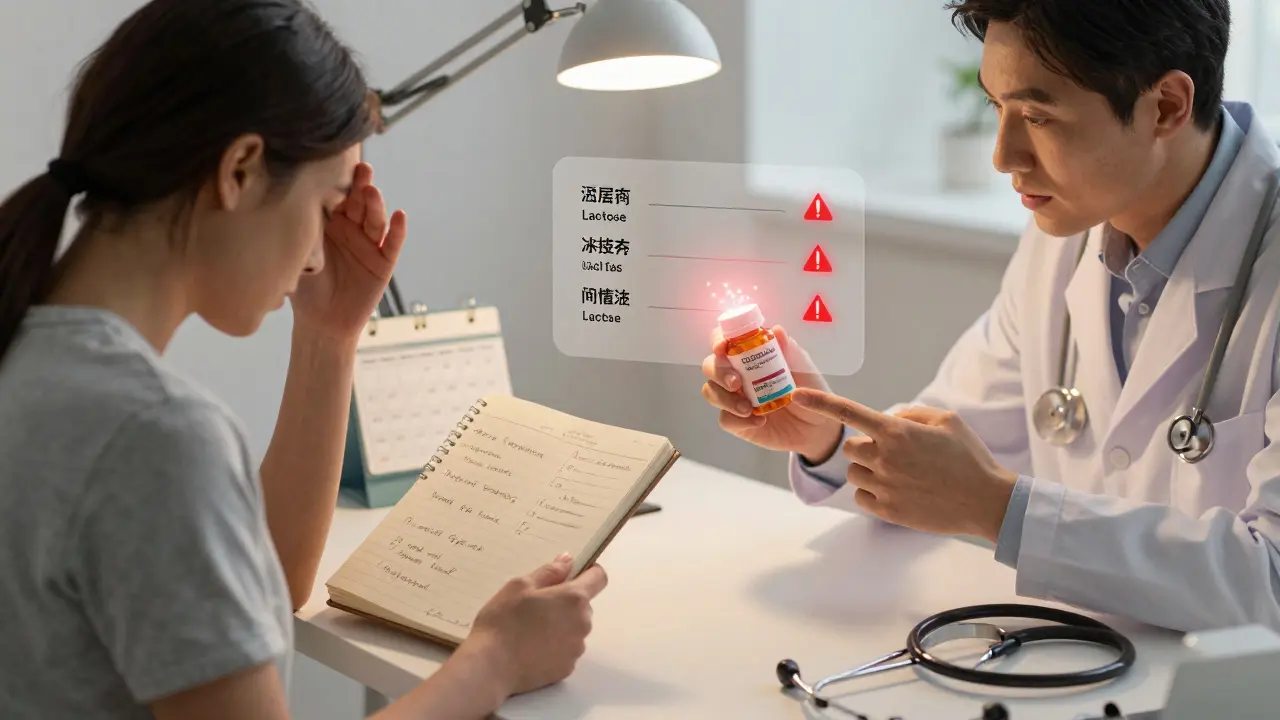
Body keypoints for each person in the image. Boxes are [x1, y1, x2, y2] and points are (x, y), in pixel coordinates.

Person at [0, 1, 606, 718]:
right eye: (326, 204)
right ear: (241, 170)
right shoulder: (153, 434)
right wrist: (493, 663)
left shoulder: (35, 360)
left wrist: (329, 336)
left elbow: (259, 590)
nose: (321, 253)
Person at [702, 0, 1280, 635]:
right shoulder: (1063, 239)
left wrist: (1003, 511)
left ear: (1166, 105)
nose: (1003, 155)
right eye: (996, 108)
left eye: (1037, 115)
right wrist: (826, 435)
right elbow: (944, 461)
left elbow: (1271, 580)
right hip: (1088, 669)